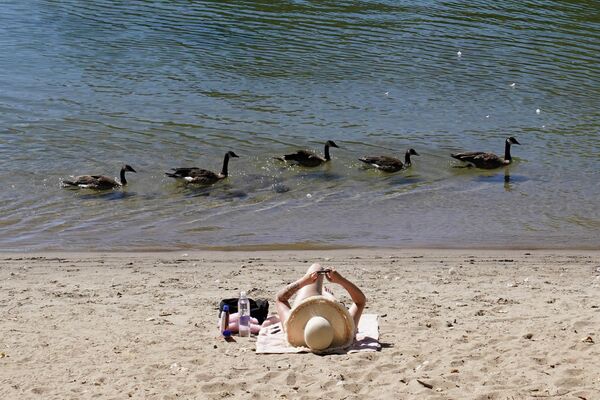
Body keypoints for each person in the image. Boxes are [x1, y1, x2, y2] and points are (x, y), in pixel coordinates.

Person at [274, 263, 366, 350]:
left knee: (316, 267)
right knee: (319, 272)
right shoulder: (347, 333)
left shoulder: (290, 331)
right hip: (318, 309)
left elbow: (280, 298)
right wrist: (340, 280)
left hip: (308, 300)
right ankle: (327, 296)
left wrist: (304, 281)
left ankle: (326, 296)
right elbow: (360, 301)